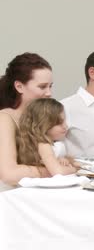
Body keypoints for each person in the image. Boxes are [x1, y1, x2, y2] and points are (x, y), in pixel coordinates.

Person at [0, 53, 53, 189]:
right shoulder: (4, 119)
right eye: (42, 87)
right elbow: (9, 174)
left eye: (50, 86)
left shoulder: (40, 118)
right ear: (19, 86)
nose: (49, 93)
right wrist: (53, 169)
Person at [16, 98, 78, 175]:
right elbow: (58, 172)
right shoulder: (44, 145)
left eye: (64, 121)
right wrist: (75, 170)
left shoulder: (54, 143)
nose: (65, 126)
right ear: (42, 125)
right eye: (59, 123)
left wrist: (64, 160)